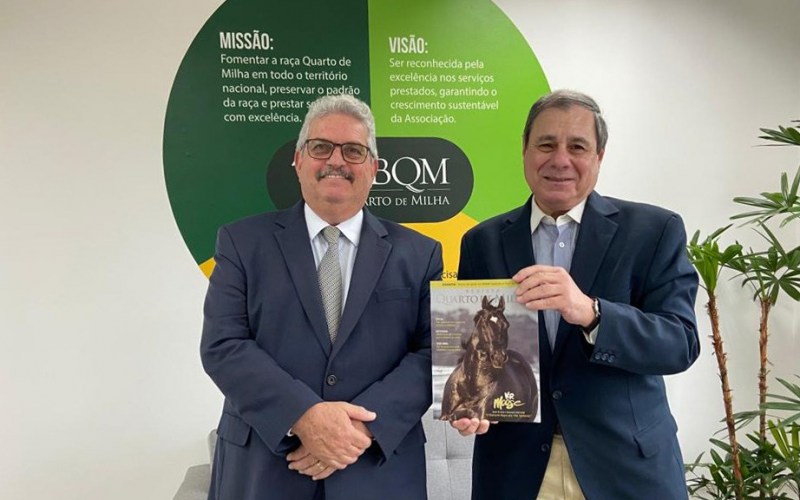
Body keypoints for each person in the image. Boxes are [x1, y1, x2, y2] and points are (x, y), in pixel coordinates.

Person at [452, 89, 699, 499]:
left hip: (624, 469)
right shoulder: (483, 241)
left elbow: (680, 343)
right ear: (525, 151)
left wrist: (592, 313)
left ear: (599, 156)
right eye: (546, 144)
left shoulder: (654, 231)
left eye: (577, 147)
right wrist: (471, 406)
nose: (560, 160)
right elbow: (474, 349)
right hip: (516, 472)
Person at [200, 94, 443, 500]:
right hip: (265, 469)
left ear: (374, 168)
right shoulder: (241, 242)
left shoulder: (420, 254)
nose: (336, 160)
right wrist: (305, 416)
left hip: (376, 469)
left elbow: (433, 353)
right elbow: (223, 345)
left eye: (353, 151)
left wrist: (358, 429)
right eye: (321, 147)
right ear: (298, 160)